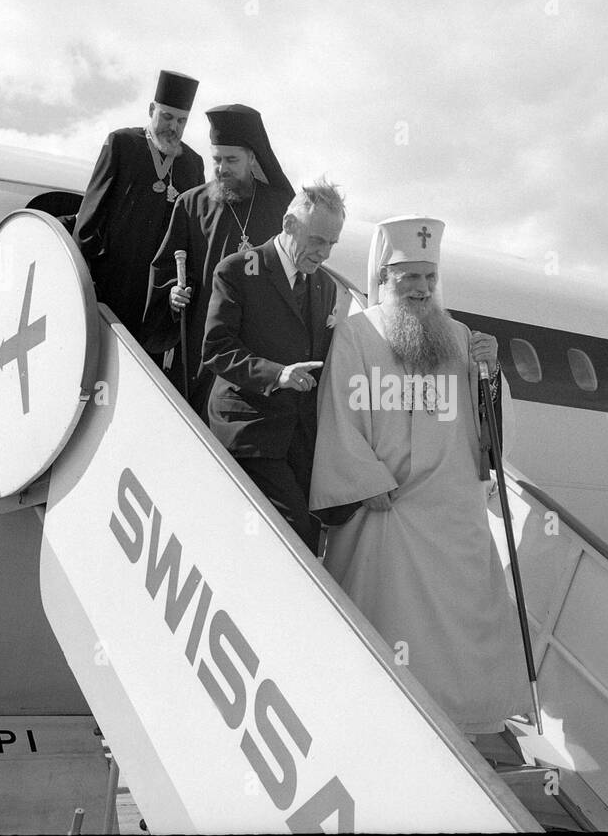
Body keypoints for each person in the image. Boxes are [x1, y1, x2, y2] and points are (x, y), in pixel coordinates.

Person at [309, 215, 528, 736]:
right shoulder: (357, 335)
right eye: (409, 277)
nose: (422, 288)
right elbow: (338, 411)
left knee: (460, 640)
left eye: (429, 277)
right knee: (388, 634)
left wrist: (490, 373)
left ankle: (464, 728)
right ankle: (384, 731)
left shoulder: (460, 336)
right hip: (386, 510)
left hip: (453, 513)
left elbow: (491, 431)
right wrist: (365, 479)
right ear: (384, 277)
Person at [201, 179, 345, 553]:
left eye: (332, 244)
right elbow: (217, 349)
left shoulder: (324, 287)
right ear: (289, 225)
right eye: (318, 241)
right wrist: (276, 374)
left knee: (326, 530)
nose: (324, 253)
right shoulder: (237, 270)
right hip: (249, 430)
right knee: (298, 540)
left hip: (298, 440)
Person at [145, 104, 294, 414]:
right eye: (216, 160)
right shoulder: (191, 203)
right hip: (202, 344)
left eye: (231, 160)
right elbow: (164, 268)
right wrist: (172, 293)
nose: (222, 168)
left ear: (252, 158)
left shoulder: (280, 207)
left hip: (258, 344)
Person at [74, 70, 204, 346]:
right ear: (151, 110)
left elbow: (193, 237)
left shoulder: (192, 163)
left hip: (157, 298)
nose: (173, 127)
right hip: (112, 286)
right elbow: (89, 220)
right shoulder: (122, 144)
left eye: (181, 121)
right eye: (167, 117)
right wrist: (88, 282)